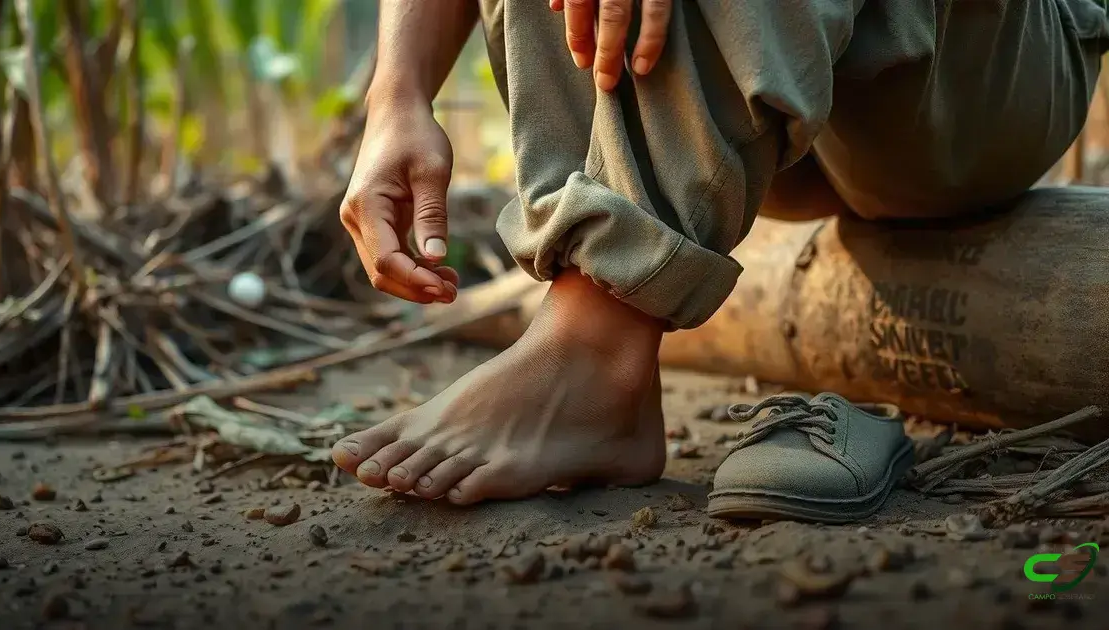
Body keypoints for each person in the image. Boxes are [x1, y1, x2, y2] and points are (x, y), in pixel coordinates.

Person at [331, 0, 1109, 510]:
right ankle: (604, 363)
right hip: (781, 121)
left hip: (975, 75)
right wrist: (397, 95)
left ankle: (594, 339)